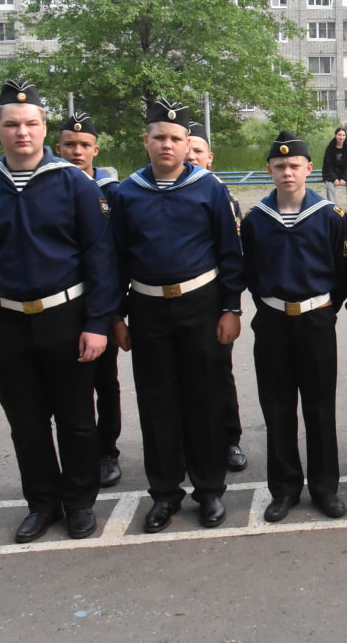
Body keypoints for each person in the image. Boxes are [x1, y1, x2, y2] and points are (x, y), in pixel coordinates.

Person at [0, 81, 118, 543]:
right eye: (12, 125)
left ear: (44, 128)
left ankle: (80, 504)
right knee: (26, 423)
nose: (22, 133)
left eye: (30, 124)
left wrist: (97, 322)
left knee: (78, 421)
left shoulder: (74, 184)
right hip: (4, 322)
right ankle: (42, 504)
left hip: (66, 317)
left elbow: (99, 256)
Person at [112, 98, 244, 533]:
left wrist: (230, 307)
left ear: (188, 144)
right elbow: (113, 259)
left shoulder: (209, 188)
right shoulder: (126, 193)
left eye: (175, 138)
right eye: (159, 137)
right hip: (147, 308)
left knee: (203, 400)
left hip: (200, 305)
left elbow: (230, 253)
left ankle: (209, 491)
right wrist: (116, 316)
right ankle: (165, 493)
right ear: (145, 141)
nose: (167, 144)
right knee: (157, 403)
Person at [241, 132, 347, 522]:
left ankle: (324, 488)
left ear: (308, 169)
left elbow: (342, 271)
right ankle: (284, 489)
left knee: (321, 408)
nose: (287, 172)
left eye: (294, 165)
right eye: (279, 166)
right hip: (272, 321)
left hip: (317, 320)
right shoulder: (255, 220)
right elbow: (250, 272)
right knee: (277, 408)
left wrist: (323, 311)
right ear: (270, 170)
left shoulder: (330, 216)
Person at [53, 111, 125, 489]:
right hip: (61, 304)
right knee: (69, 385)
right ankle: (78, 456)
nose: (77, 152)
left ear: (96, 150)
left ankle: (107, 450)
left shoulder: (113, 193)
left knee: (105, 381)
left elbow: (117, 255)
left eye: (84, 146)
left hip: (101, 302)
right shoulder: (48, 187)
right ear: (57, 148)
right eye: (69, 145)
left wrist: (115, 312)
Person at [185, 122, 249, 474]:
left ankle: (229, 438)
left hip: (213, 297)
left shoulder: (222, 195)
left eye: (198, 150)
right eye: (187, 148)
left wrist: (231, 305)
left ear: (209, 158)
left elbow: (232, 252)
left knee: (218, 372)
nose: (191, 155)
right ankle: (189, 440)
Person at [321, 127, 347, 209]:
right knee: (329, 187)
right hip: (331, 175)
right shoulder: (329, 148)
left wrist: (344, 178)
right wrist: (334, 179)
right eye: (339, 135)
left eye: (343, 135)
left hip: (345, 174)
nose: (341, 137)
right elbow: (327, 166)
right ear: (335, 135)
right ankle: (335, 210)